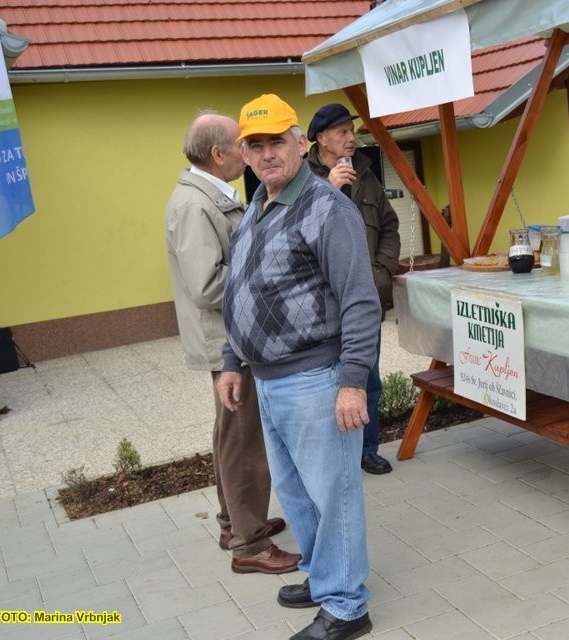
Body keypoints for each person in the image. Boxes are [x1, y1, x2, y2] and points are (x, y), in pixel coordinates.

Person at [217, 94, 380, 640]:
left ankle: (347, 607)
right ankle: (322, 576)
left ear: (300, 145)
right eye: (256, 145)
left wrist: (352, 383)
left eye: (277, 142)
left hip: (317, 379)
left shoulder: (327, 208)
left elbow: (360, 300)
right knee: (296, 492)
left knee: (333, 495)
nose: (267, 154)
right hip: (267, 379)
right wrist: (232, 362)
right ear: (244, 153)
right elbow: (239, 291)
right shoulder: (258, 206)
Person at [165, 111, 300, 575]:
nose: (250, 153)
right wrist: (272, 278)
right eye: (243, 144)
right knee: (243, 440)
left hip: (235, 335)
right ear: (218, 153)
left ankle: (234, 523)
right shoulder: (194, 204)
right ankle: (250, 543)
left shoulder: (211, 195)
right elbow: (207, 286)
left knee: (232, 434)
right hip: (231, 340)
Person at [306, 103, 400, 476]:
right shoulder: (304, 178)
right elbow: (297, 230)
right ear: (322, 138)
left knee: (367, 378)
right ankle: (330, 456)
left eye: (351, 131)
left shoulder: (366, 172)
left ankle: (367, 449)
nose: (351, 138)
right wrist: (329, 190)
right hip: (322, 303)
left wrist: (380, 273)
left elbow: (389, 227)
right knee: (324, 383)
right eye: (343, 132)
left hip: (364, 299)